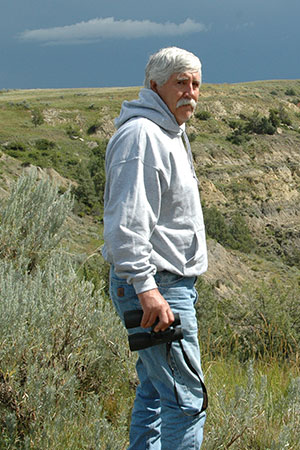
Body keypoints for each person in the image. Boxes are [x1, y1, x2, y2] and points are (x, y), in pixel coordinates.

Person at [102, 46, 207, 449]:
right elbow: (126, 224)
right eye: (181, 83)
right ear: (154, 86)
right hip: (157, 288)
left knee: (155, 392)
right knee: (186, 400)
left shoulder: (168, 132)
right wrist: (148, 290)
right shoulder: (143, 136)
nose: (191, 93)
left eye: (196, 84)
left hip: (165, 285)